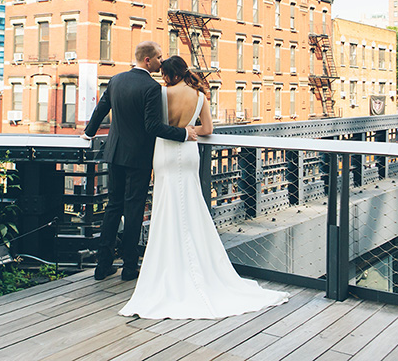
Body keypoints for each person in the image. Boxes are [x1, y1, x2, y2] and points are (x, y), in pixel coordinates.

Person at [119, 55, 288, 319]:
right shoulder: (200, 96)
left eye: (164, 74)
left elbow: (152, 126)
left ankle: (169, 266)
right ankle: (198, 265)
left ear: (170, 74)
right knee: (192, 206)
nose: (162, 78)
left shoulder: (160, 93)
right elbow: (208, 128)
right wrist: (190, 129)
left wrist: (177, 129)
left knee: (166, 209)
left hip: (164, 153)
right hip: (188, 153)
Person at [83, 41, 197, 281]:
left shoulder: (116, 80)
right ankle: (129, 267)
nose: (161, 61)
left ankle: (102, 266)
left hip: (114, 154)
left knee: (113, 207)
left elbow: (101, 110)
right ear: (148, 60)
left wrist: (89, 132)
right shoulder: (151, 88)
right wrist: (184, 133)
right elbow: (152, 127)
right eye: (159, 57)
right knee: (133, 209)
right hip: (138, 159)